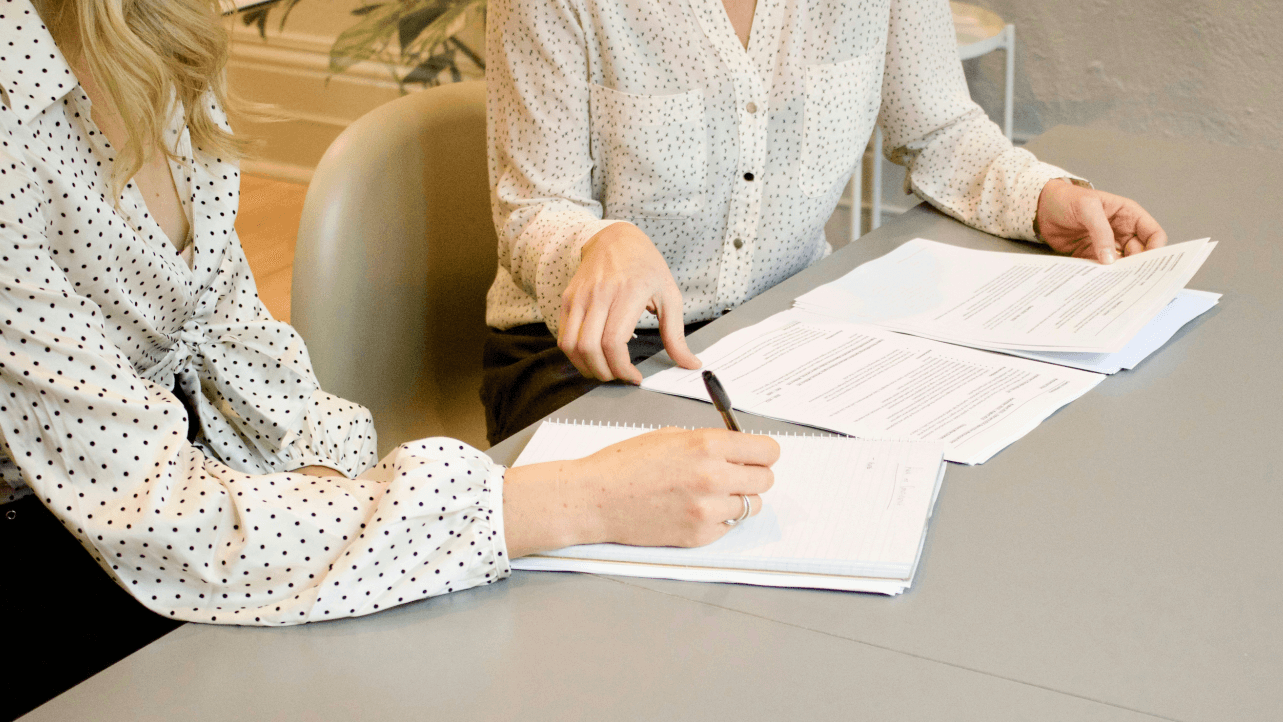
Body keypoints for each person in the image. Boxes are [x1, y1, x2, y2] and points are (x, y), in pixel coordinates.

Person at [0, 0, 778, 716]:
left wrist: (337, 490)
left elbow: (237, 342)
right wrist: (574, 503)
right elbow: (163, 519)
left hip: (187, 494)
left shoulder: (158, 38)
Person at [480, 0, 1170, 444]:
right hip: (586, 356)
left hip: (782, 335)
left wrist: (1042, 195)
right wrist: (598, 242)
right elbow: (532, 208)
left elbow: (937, 128)